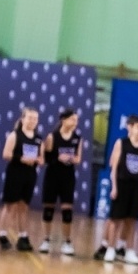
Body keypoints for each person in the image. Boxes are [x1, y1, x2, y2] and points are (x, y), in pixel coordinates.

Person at [100, 115, 138, 264]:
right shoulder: (121, 143)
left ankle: (129, 250)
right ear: (130, 127)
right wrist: (114, 187)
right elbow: (114, 167)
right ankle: (110, 248)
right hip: (122, 184)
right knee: (116, 219)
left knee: (131, 220)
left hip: (137, 187)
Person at [0, 106, 44, 251]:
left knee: (24, 206)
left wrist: (38, 160)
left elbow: (42, 158)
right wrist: (21, 158)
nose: (33, 121)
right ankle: (2, 234)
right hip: (15, 172)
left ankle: (23, 236)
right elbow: (6, 154)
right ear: (23, 119)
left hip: (30, 174)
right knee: (10, 205)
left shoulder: (38, 139)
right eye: (30, 118)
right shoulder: (15, 135)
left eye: (35, 119)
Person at [37, 107, 82, 256]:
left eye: (76, 120)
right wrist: (58, 158)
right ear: (64, 120)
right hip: (53, 175)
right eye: (72, 119)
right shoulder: (52, 136)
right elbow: (46, 158)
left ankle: (67, 242)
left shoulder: (77, 138)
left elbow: (78, 158)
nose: (75, 123)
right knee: (48, 209)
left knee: (67, 210)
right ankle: (46, 240)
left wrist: (72, 159)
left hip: (68, 176)